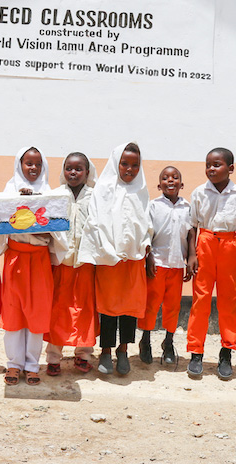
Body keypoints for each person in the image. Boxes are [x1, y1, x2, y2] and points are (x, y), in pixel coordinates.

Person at [79, 142, 152, 376]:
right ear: (115, 163)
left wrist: (145, 245)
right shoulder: (103, 189)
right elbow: (95, 222)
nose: (129, 169)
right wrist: (108, 250)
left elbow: (146, 224)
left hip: (133, 260)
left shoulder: (141, 190)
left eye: (134, 165)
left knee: (130, 307)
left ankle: (123, 350)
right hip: (109, 259)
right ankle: (107, 351)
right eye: (124, 164)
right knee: (109, 308)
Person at [0, 146, 65, 386]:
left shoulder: (50, 193)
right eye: (28, 163)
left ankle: (32, 365)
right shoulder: (8, 190)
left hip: (39, 260)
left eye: (37, 164)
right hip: (16, 258)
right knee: (14, 310)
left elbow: (57, 230)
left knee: (36, 313)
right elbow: (0, 221)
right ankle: (14, 364)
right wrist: (19, 200)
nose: (33, 168)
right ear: (20, 165)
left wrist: (38, 204)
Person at [187, 147, 236, 380]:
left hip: (229, 245)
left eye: (216, 165)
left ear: (231, 169)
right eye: (208, 165)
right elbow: (192, 226)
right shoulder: (198, 193)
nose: (211, 169)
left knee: (229, 299)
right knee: (201, 298)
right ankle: (196, 352)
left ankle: (227, 352)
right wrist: (192, 255)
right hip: (204, 243)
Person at [44, 152, 98, 376]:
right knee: (58, 308)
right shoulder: (55, 196)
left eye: (78, 169)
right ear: (63, 171)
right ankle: (54, 356)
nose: (73, 173)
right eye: (69, 168)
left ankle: (83, 353)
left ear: (87, 173)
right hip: (60, 262)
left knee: (85, 307)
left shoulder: (96, 197)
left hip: (86, 263)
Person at [137, 166, 193, 366]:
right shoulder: (153, 206)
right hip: (158, 263)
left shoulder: (188, 206)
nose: (171, 181)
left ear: (181, 184)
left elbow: (191, 233)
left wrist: (191, 258)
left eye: (175, 177)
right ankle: (145, 341)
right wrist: (148, 256)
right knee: (151, 304)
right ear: (159, 184)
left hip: (177, 264)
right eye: (165, 178)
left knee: (173, 306)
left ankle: (168, 342)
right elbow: (146, 233)